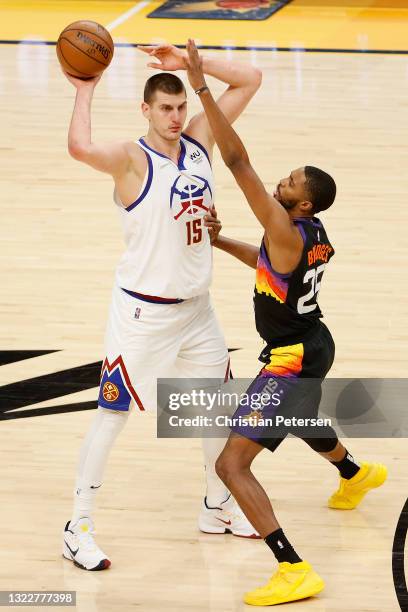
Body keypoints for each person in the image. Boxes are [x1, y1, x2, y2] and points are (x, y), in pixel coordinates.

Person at [185, 39, 387, 606]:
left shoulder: (284, 224)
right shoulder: (309, 235)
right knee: (297, 414)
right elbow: (268, 262)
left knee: (232, 463)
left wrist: (201, 84)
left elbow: (236, 161)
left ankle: (292, 567)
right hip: (316, 342)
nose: (282, 180)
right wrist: (219, 237)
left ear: (303, 206)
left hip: (292, 356)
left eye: (292, 182)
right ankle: (354, 473)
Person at [61, 43, 263, 571]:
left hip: (197, 310)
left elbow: (249, 78)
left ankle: (215, 504)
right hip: (142, 314)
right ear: (146, 110)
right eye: (165, 109)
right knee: (112, 414)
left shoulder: (199, 141)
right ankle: (76, 526)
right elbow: (80, 148)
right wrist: (84, 90)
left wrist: (191, 67)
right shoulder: (130, 158)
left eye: (180, 107)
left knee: (214, 408)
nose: (176, 117)